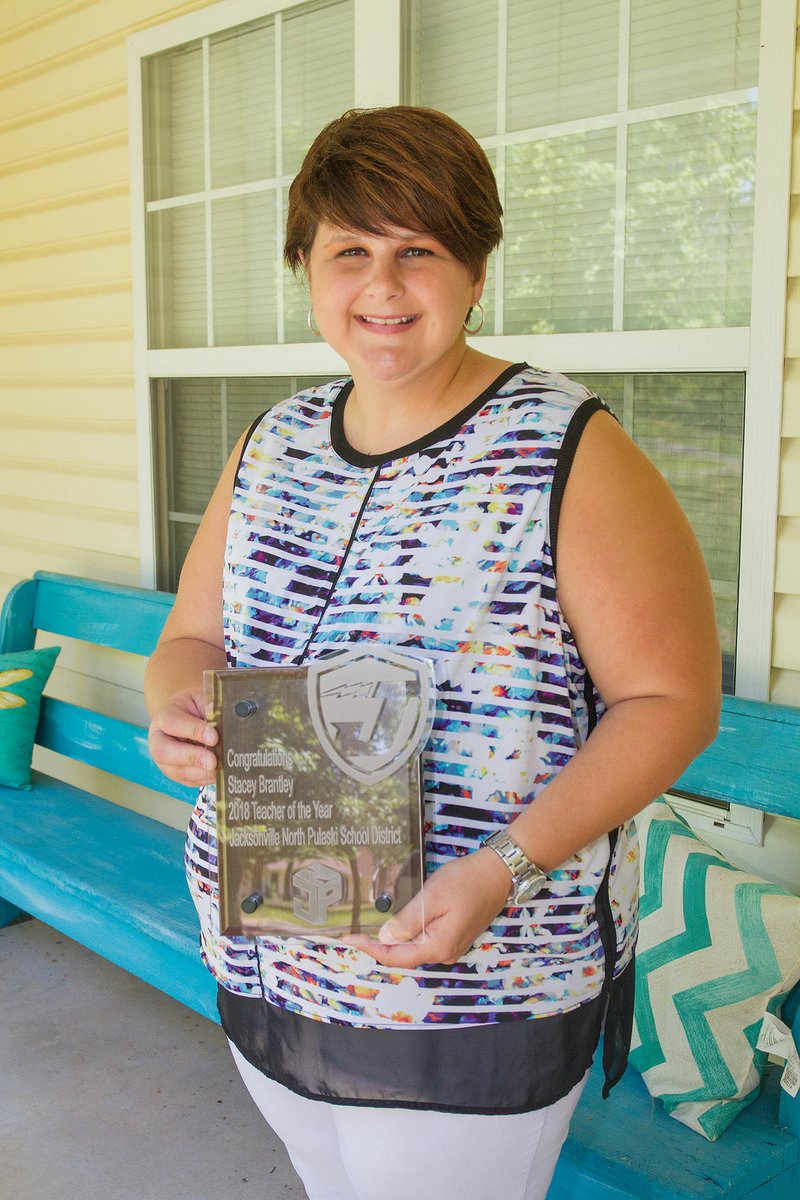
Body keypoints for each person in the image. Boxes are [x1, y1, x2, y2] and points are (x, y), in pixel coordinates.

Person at [145, 106, 721, 1200]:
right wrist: (177, 703)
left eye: (420, 249)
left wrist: (501, 870)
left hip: (470, 981)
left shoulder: (565, 449)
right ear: (306, 267)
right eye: (348, 251)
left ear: (474, 266)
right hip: (268, 946)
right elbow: (194, 637)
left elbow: (669, 699)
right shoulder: (271, 442)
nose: (382, 285)